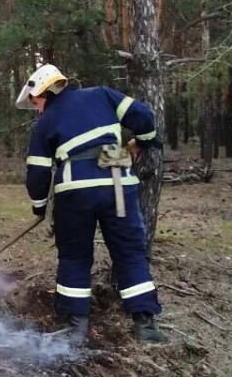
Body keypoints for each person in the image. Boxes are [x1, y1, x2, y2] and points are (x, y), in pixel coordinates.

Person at [17, 63, 167, 344]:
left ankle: (76, 327)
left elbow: (37, 172)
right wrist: (145, 141)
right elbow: (143, 116)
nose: (37, 108)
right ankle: (145, 326)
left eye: (35, 102)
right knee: (129, 252)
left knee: (74, 255)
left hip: (76, 190)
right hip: (117, 177)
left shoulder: (46, 121)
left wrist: (39, 206)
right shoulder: (103, 95)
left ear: (44, 93)